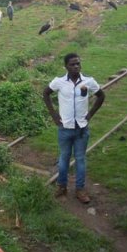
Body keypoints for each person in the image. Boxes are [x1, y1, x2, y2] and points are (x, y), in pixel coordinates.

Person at [43, 53, 105, 203]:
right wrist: (54, 115)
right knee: (64, 158)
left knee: (80, 159)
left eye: (78, 63)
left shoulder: (88, 81)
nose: (76, 66)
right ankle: (61, 187)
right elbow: (46, 93)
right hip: (65, 128)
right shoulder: (59, 82)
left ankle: (80, 190)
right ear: (66, 66)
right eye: (72, 64)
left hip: (82, 129)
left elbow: (101, 96)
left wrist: (90, 114)